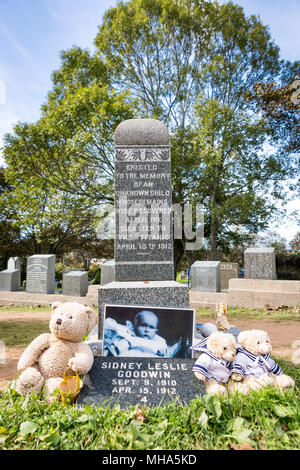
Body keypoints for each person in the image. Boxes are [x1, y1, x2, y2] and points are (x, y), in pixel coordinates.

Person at [103, 310, 182, 357]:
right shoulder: (127, 333)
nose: (147, 330)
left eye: (151, 327)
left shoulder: (159, 342)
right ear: (134, 326)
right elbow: (108, 322)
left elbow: (164, 352)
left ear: (155, 331)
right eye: (143, 325)